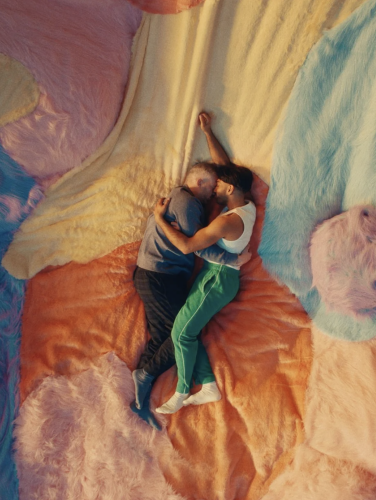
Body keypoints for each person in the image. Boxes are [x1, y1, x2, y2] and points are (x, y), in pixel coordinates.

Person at [131, 112, 249, 430]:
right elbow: (194, 246)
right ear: (200, 184)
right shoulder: (188, 204)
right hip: (160, 276)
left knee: (163, 336)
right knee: (180, 334)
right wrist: (228, 260)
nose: (213, 196)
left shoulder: (183, 196)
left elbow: (224, 170)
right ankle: (145, 375)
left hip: (156, 275)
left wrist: (208, 132)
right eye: (211, 190)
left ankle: (140, 399)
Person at [152, 163, 256, 414]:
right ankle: (208, 385)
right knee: (189, 331)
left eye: (219, 185)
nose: (214, 189)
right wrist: (209, 135)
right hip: (215, 276)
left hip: (217, 279)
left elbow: (187, 247)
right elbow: (225, 166)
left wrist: (159, 220)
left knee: (181, 334)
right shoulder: (247, 206)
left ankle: (181, 392)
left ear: (230, 188)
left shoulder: (227, 221)